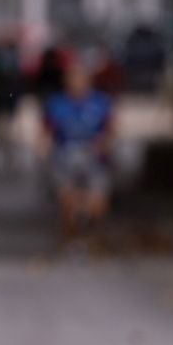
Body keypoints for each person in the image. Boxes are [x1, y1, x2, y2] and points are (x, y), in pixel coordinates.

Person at [41, 56, 115, 243]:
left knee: (98, 204)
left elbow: (111, 130)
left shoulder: (101, 102)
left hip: (94, 156)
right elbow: (46, 131)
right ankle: (69, 238)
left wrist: (104, 144)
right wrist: (46, 148)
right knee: (68, 200)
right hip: (65, 155)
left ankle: (92, 235)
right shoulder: (57, 104)